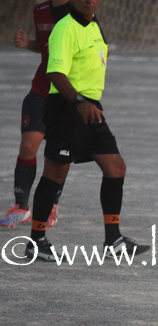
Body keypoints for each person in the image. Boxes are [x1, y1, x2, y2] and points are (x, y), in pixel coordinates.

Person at [25, 0, 150, 262]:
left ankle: (113, 240)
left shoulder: (94, 25)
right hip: (67, 107)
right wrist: (79, 101)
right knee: (55, 174)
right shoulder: (65, 28)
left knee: (116, 167)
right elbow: (55, 72)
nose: (89, 1)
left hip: (91, 108)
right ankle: (36, 242)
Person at [1, 0, 71, 229]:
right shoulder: (40, 10)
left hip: (66, 93)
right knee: (28, 146)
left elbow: (100, 48)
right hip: (41, 89)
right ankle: (21, 208)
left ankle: (52, 205)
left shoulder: (80, 10)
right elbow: (44, 46)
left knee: (58, 153)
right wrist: (28, 43)